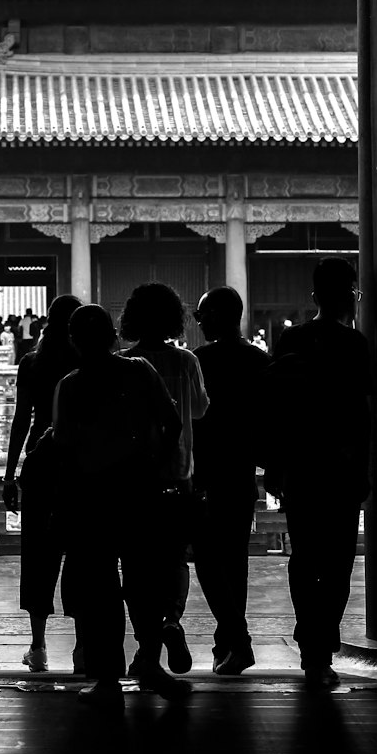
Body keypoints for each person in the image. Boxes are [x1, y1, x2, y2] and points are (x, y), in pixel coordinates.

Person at [52, 304, 183, 710]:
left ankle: (109, 676)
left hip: (92, 498)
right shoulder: (139, 371)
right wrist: (156, 466)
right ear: (113, 336)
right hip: (139, 490)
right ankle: (149, 660)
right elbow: (172, 422)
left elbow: (63, 449)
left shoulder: (71, 386)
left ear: (74, 342)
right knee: (143, 579)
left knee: (102, 589)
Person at [265, 258, 372, 689]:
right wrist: (363, 468)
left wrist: (274, 463)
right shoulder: (355, 345)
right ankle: (321, 643)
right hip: (341, 467)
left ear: (314, 298)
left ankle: (312, 645)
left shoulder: (292, 339)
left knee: (304, 557)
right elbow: (362, 413)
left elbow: (276, 409)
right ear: (351, 295)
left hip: (301, 466)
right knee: (338, 561)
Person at [119, 283, 209, 676]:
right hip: (179, 474)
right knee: (174, 559)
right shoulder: (187, 362)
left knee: (136, 564)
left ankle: (145, 646)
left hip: (133, 479)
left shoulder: (123, 363)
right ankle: (172, 620)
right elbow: (201, 412)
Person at [191, 287, 270, 675]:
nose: (197, 320)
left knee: (207, 560)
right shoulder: (259, 361)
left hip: (205, 474)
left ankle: (237, 640)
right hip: (241, 474)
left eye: (202, 314)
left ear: (220, 315)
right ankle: (229, 641)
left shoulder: (199, 362)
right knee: (234, 562)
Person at [2, 293, 82, 673]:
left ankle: (38, 646)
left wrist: (8, 474)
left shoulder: (32, 364)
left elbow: (21, 419)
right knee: (85, 553)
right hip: (81, 466)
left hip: (39, 463)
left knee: (38, 554)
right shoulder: (89, 364)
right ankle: (84, 643)